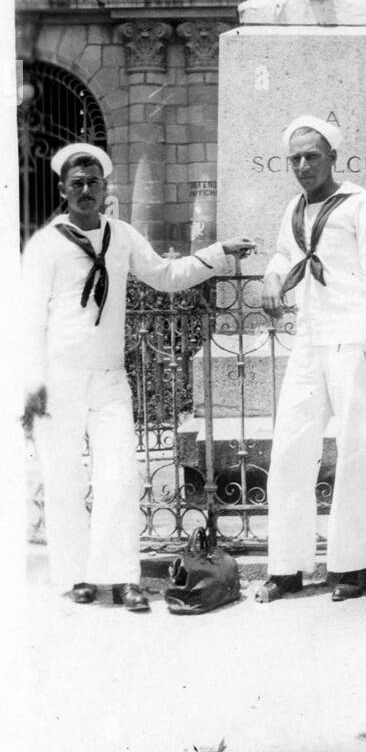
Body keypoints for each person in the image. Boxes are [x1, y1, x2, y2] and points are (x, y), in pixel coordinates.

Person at [21, 143, 256, 611]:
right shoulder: (47, 244)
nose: (86, 191)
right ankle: (76, 575)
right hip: (58, 376)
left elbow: (167, 275)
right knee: (64, 476)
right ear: (64, 190)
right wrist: (31, 384)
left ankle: (122, 577)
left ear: (107, 187)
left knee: (120, 475)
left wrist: (217, 254)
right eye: (77, 184)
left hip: (109, 377)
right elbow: (27, 319)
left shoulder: (122, 236)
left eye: (94, 182)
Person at [257, 114, 366, 602]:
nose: (302, 165)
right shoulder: (294, 207)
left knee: (355, 452)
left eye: (311, 156)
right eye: (294, 158)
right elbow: (282, 254)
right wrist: (272, 278)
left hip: (354, 341)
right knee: (290, 449)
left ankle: (351, 566)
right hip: (309, 341)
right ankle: (287, 566)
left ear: (332, 158)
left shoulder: (360, 203)